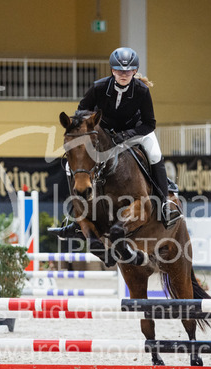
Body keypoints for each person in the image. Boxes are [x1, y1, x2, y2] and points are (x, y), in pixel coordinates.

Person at [52, 47, 182, 239]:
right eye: (120, 70)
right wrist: (90, 126)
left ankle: (164, 205)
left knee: (154, 154)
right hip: (105, 132)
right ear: (112, 70)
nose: (123, 74)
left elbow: (149, 123)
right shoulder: (99, 87)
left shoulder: (142, 91)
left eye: (128, 71)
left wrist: (127, 135)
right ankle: (76, 218)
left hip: (136, 132)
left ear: (134, 71)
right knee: (73, 164)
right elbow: (81, 111)